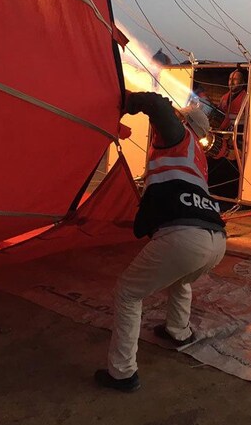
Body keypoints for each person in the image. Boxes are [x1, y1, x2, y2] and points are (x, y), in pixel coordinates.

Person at [95, 91, 227, 392]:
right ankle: (178, 331)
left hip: (185, 236)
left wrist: (123, 101)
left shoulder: (179, 136)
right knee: (180, 279)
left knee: (128, 292)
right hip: (216, 240)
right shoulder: (198, 156)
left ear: (184, 122)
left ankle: (122, 372)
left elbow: (156, 104)